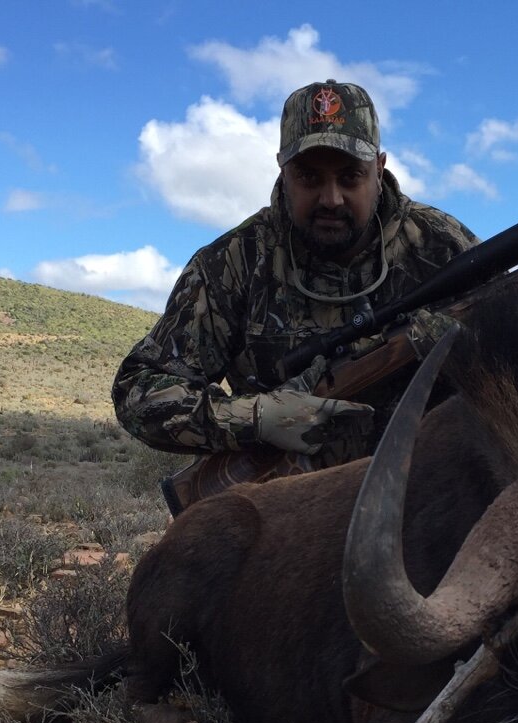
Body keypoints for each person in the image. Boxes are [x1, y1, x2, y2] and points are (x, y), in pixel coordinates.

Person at [112, 79, 478, 464]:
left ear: (379, 167)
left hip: (427, 493)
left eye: (350, 177)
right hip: (289, 508)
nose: (331, 199)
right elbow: (138, 391)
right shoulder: (233, 262)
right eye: (309, 177)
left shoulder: (441, 244)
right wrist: (257, 417)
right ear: (283, 170)